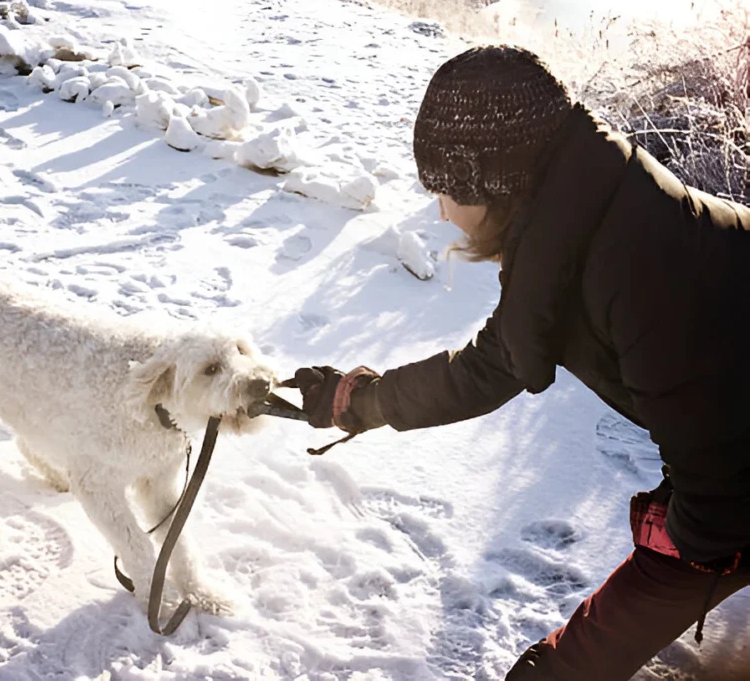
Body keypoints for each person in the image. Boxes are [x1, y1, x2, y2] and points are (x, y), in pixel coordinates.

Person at [288, 45, 750, 680]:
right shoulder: (579, 219)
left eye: (445, 189)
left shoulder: (634, 265)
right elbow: (490, 365)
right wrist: (360, 401)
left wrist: (683, 540)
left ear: (492, 180)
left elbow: (723, 504)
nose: (441, 210)